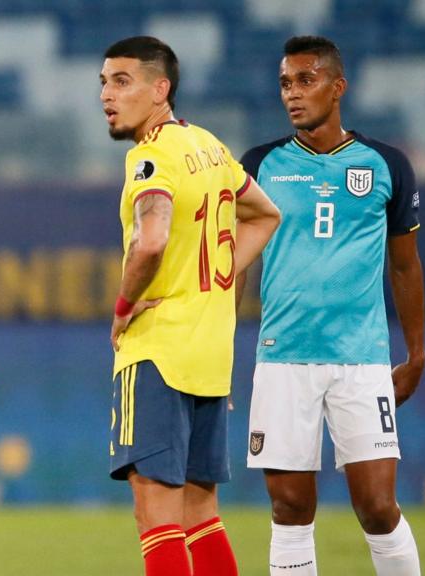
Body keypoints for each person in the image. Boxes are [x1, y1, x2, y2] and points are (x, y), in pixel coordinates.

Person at [240, 35, 425, 576]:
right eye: (284, 83)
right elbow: (237, 268)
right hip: (282, 358)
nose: (292, 93)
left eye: (305, 80)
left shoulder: (386, 165)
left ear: (337, 87)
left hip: (361, 360)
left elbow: (405, 266)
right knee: (290, 510)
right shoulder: (259, 165)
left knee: (378, 507)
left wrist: (416, 354)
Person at [101, 36, 281, 576]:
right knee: (201, 512)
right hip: (208, 351)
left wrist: (124, 305)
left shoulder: (150, 157)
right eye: (104, 83)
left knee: (155, 511)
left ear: (162, 89)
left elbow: (151, 239)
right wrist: (218, 290)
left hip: (159, 350)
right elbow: (265, 215)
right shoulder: (209, 146)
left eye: (122, 81)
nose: (107, 95)